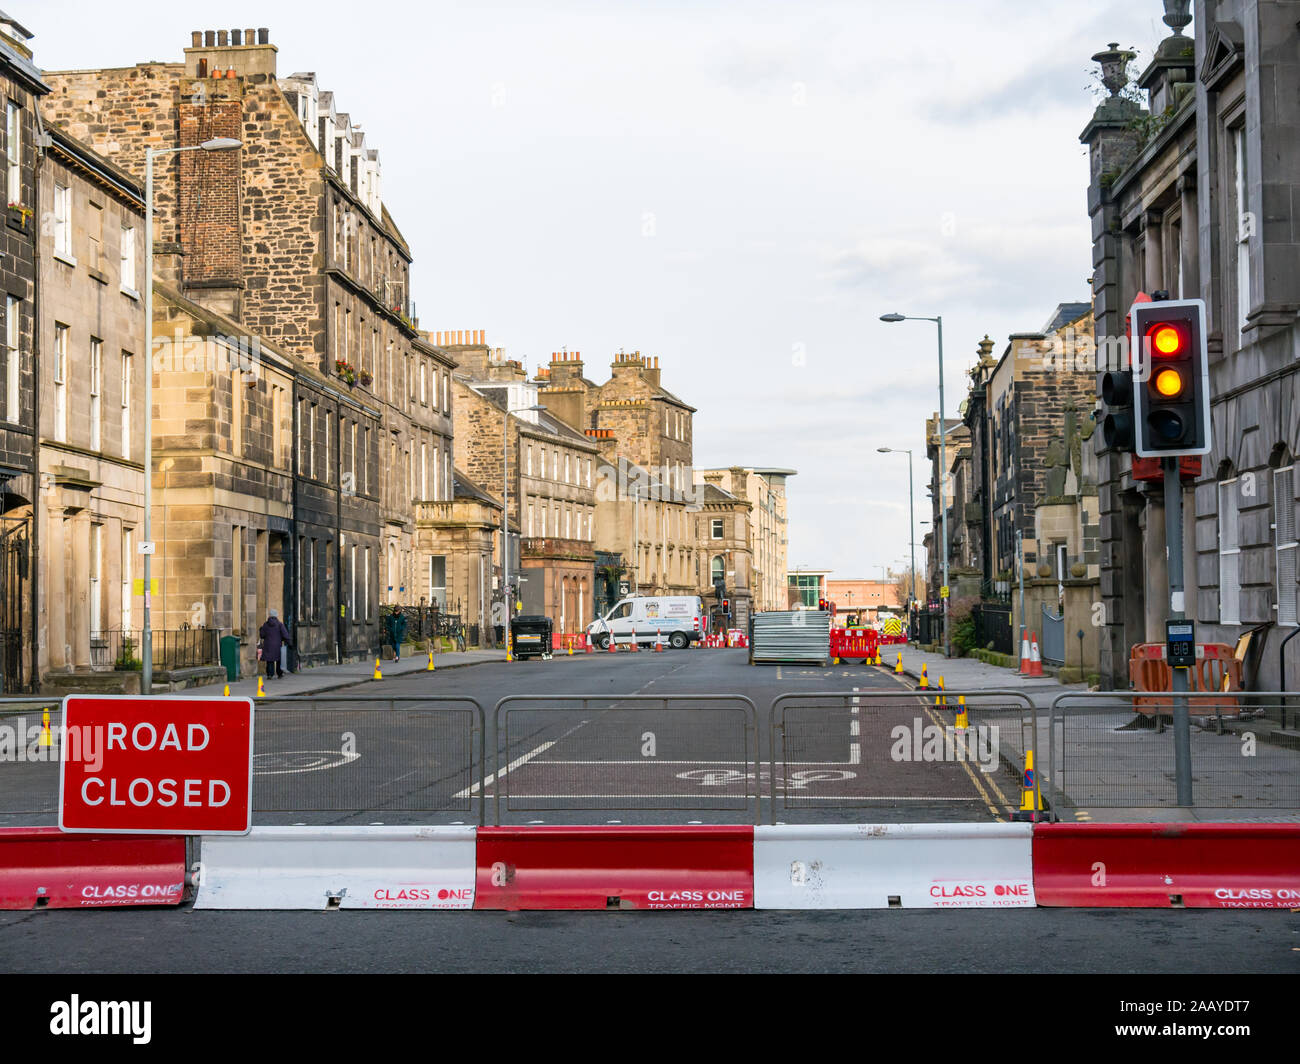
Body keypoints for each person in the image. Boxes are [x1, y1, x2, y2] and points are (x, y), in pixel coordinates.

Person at [258, 608, 291, 679]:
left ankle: (270, 674)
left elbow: (262, 635)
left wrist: (261, 629)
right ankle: (279, 674)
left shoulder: (266, 625)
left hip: (268, 645)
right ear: (276, 616)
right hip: (277, 645)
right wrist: (289, 642)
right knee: (279, 660)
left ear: (269, 616)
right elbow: (285, 635)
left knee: (270, 660)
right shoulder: (280, 625)